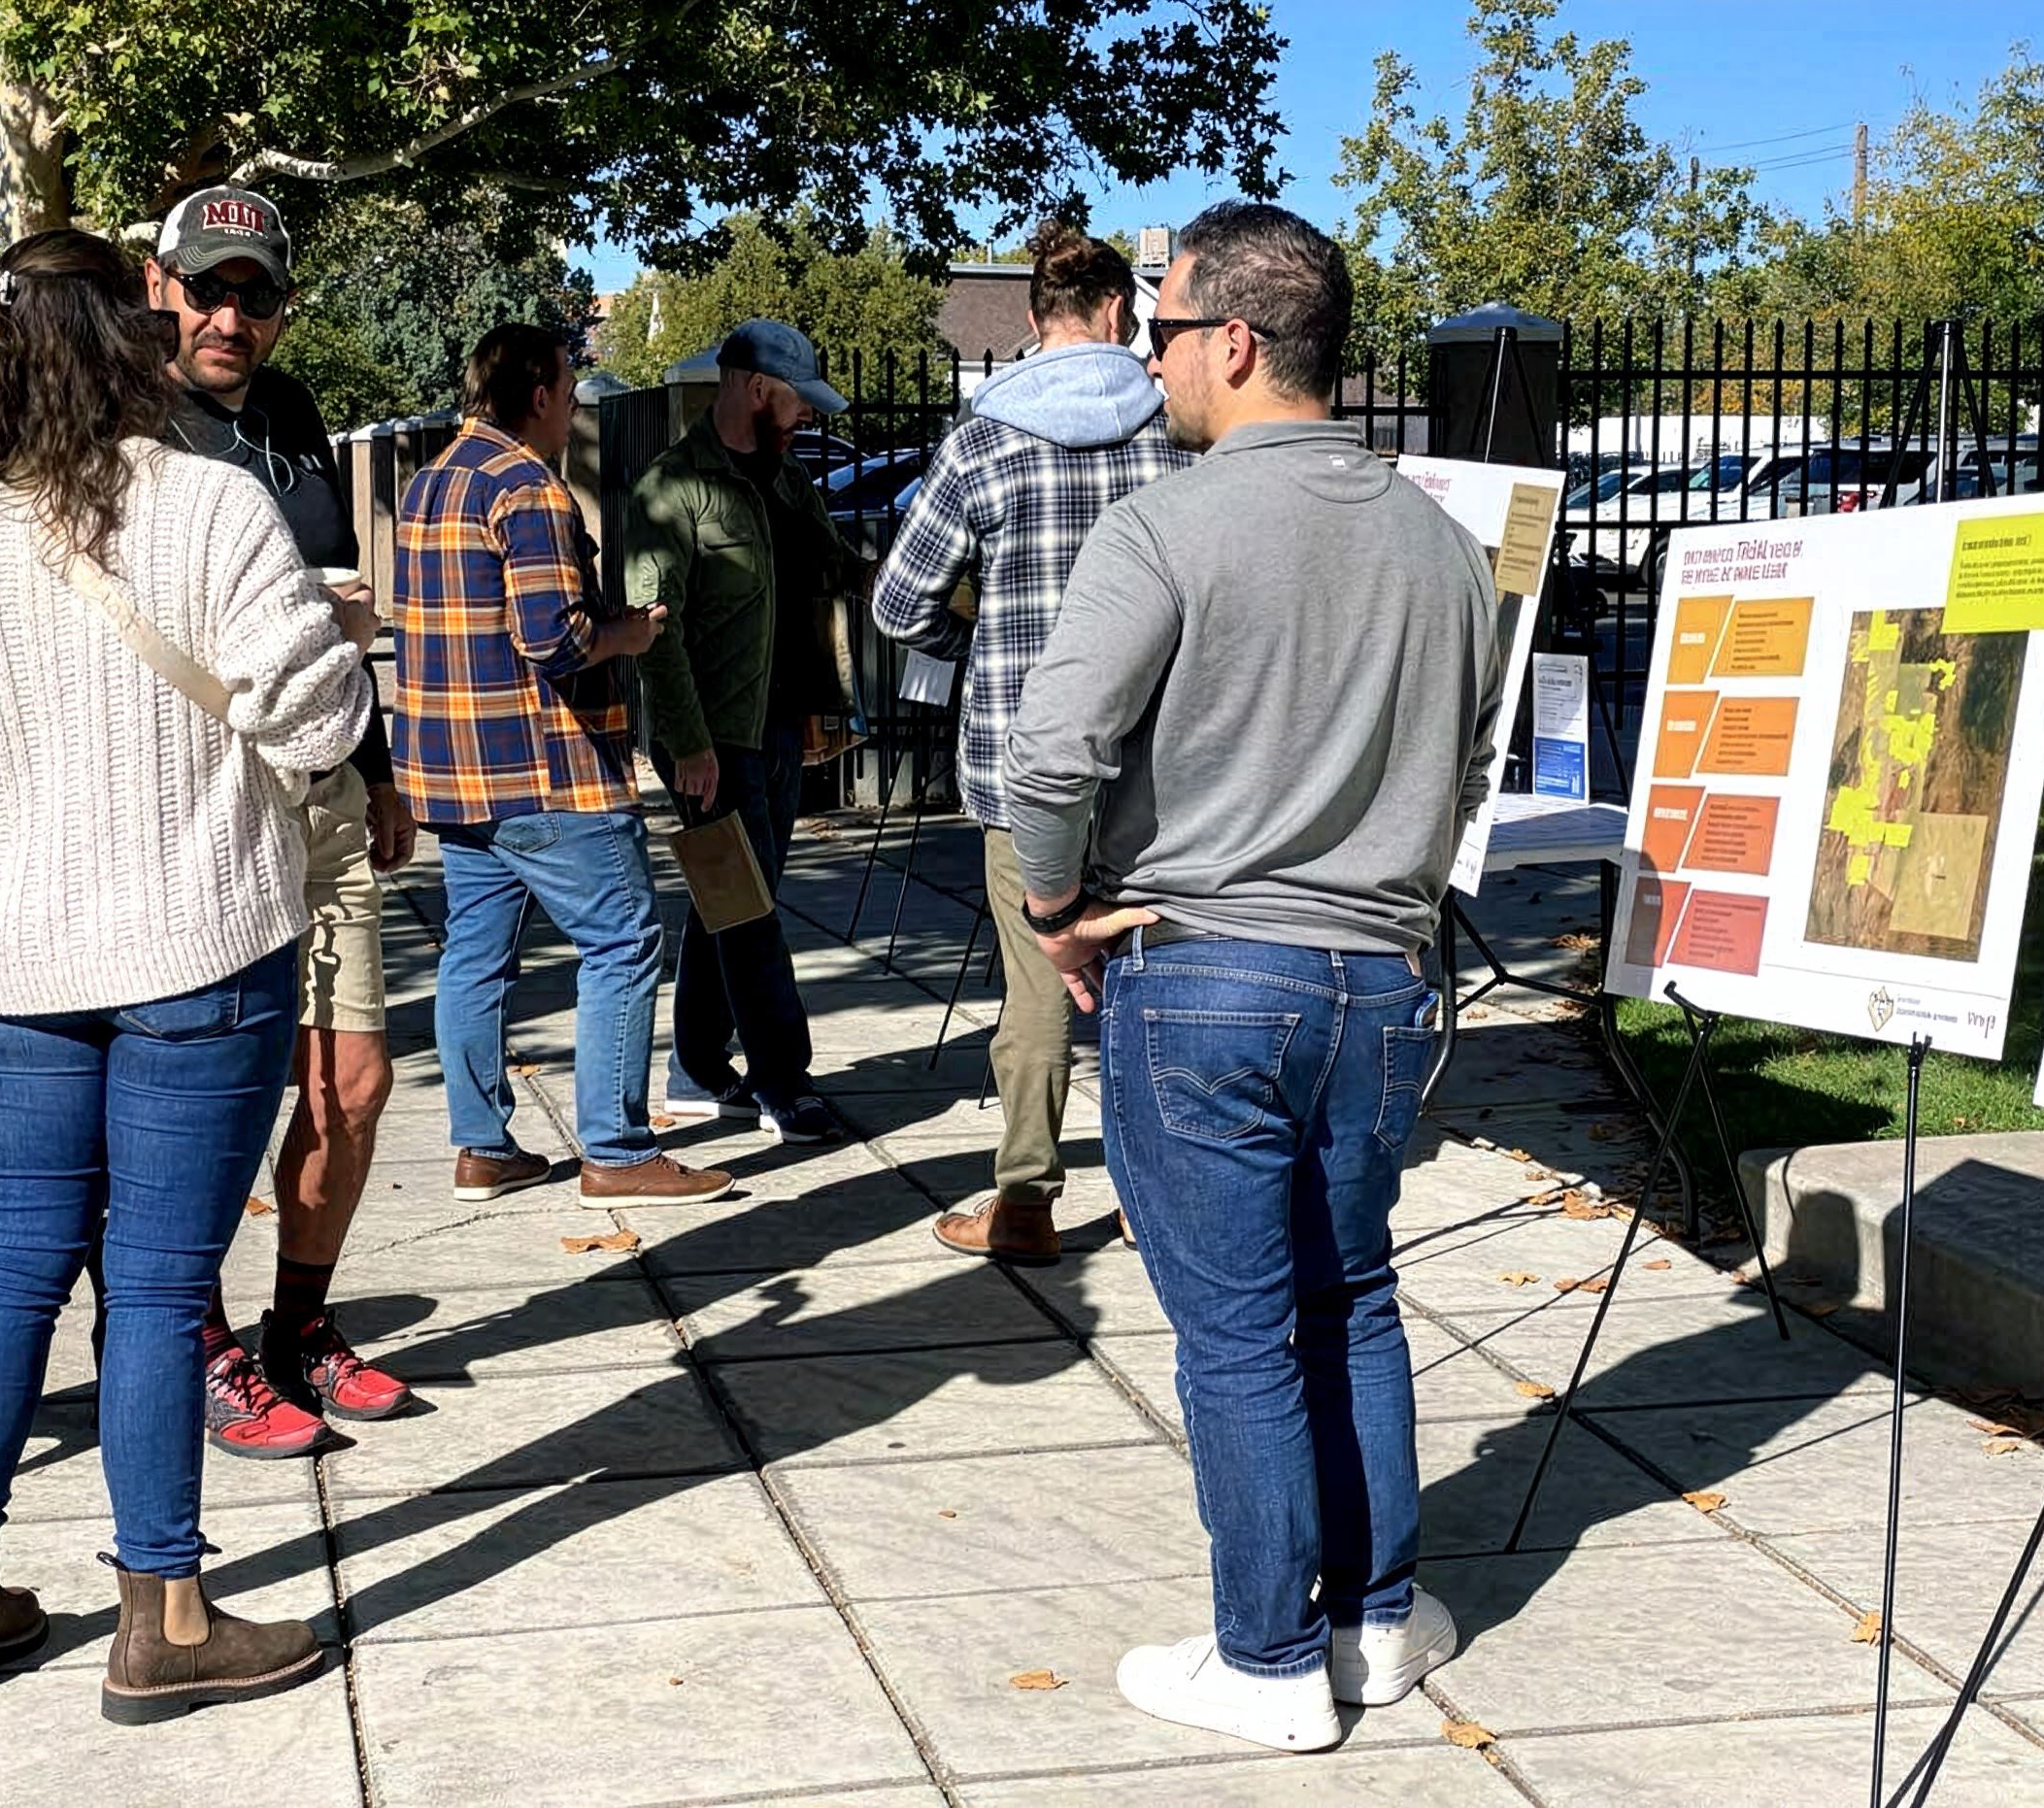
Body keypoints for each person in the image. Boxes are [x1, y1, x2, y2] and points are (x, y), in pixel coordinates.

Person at [1001, 202, 1503, 1753]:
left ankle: (1270, 1657)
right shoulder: (1445, 543)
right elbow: (1466, 758)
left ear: (1234, 339)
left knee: (1235, 1330)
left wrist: (1053, 906)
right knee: (1353, 1295)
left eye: (1161, 327)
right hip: (1377, 977)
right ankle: (1373, 1615)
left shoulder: (1163, 523)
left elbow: (1051, 753)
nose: (1147, 356)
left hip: (1203, 967)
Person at [0, 228, 372, 1721]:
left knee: (15, 1259)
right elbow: (318, 727)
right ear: (128, 346)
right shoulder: (210, 505)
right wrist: (339, 639)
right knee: (156, 1284)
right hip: (195, 944)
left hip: (16, 957)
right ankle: (166, 1611)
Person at [143, 184, 420, 1457]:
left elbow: (331, 615)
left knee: (350, 1079)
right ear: (163, 288)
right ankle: (195, 1344)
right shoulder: (130, 425)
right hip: (195, 799)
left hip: (318, 788)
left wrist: (378, 765)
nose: (229, 315)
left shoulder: (296, 419)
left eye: (254, 294)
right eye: (209, 288)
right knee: (206, 1091)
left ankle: (295, 1328)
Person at [873, 224, 1190, 1264]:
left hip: (1023, 756)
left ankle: (1024, 1200)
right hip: (1158, 752)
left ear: (1032, 319)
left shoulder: (982, 437)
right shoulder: (1171, 433)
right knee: (1151, 977)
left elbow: (898, 603)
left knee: (1038, 983)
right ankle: (1155, 1196)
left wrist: (972, 644)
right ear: (1116, 313)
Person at [392, 322, 731, 1207]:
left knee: (474, 955)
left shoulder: (430, 483)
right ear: (538, 394)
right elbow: (555, 639)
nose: (576, 401)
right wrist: (636, 629)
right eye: (570, 386)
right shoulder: (528, 489)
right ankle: (616, 1152)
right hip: (548, 769)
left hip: (452, 772)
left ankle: (481, 1147)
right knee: (623, 940)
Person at [626, 320, 856, 1146]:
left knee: (726, 903)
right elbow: (659, 635)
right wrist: (687, 746)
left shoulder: (784, 476)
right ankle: (784, 1083)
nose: (806, 419)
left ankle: (694, 1067)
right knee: (749, 913)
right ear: (758, 388)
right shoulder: (671, 489)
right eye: (798, 402)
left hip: (781, 724)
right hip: (715, 738)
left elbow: (831, 571)